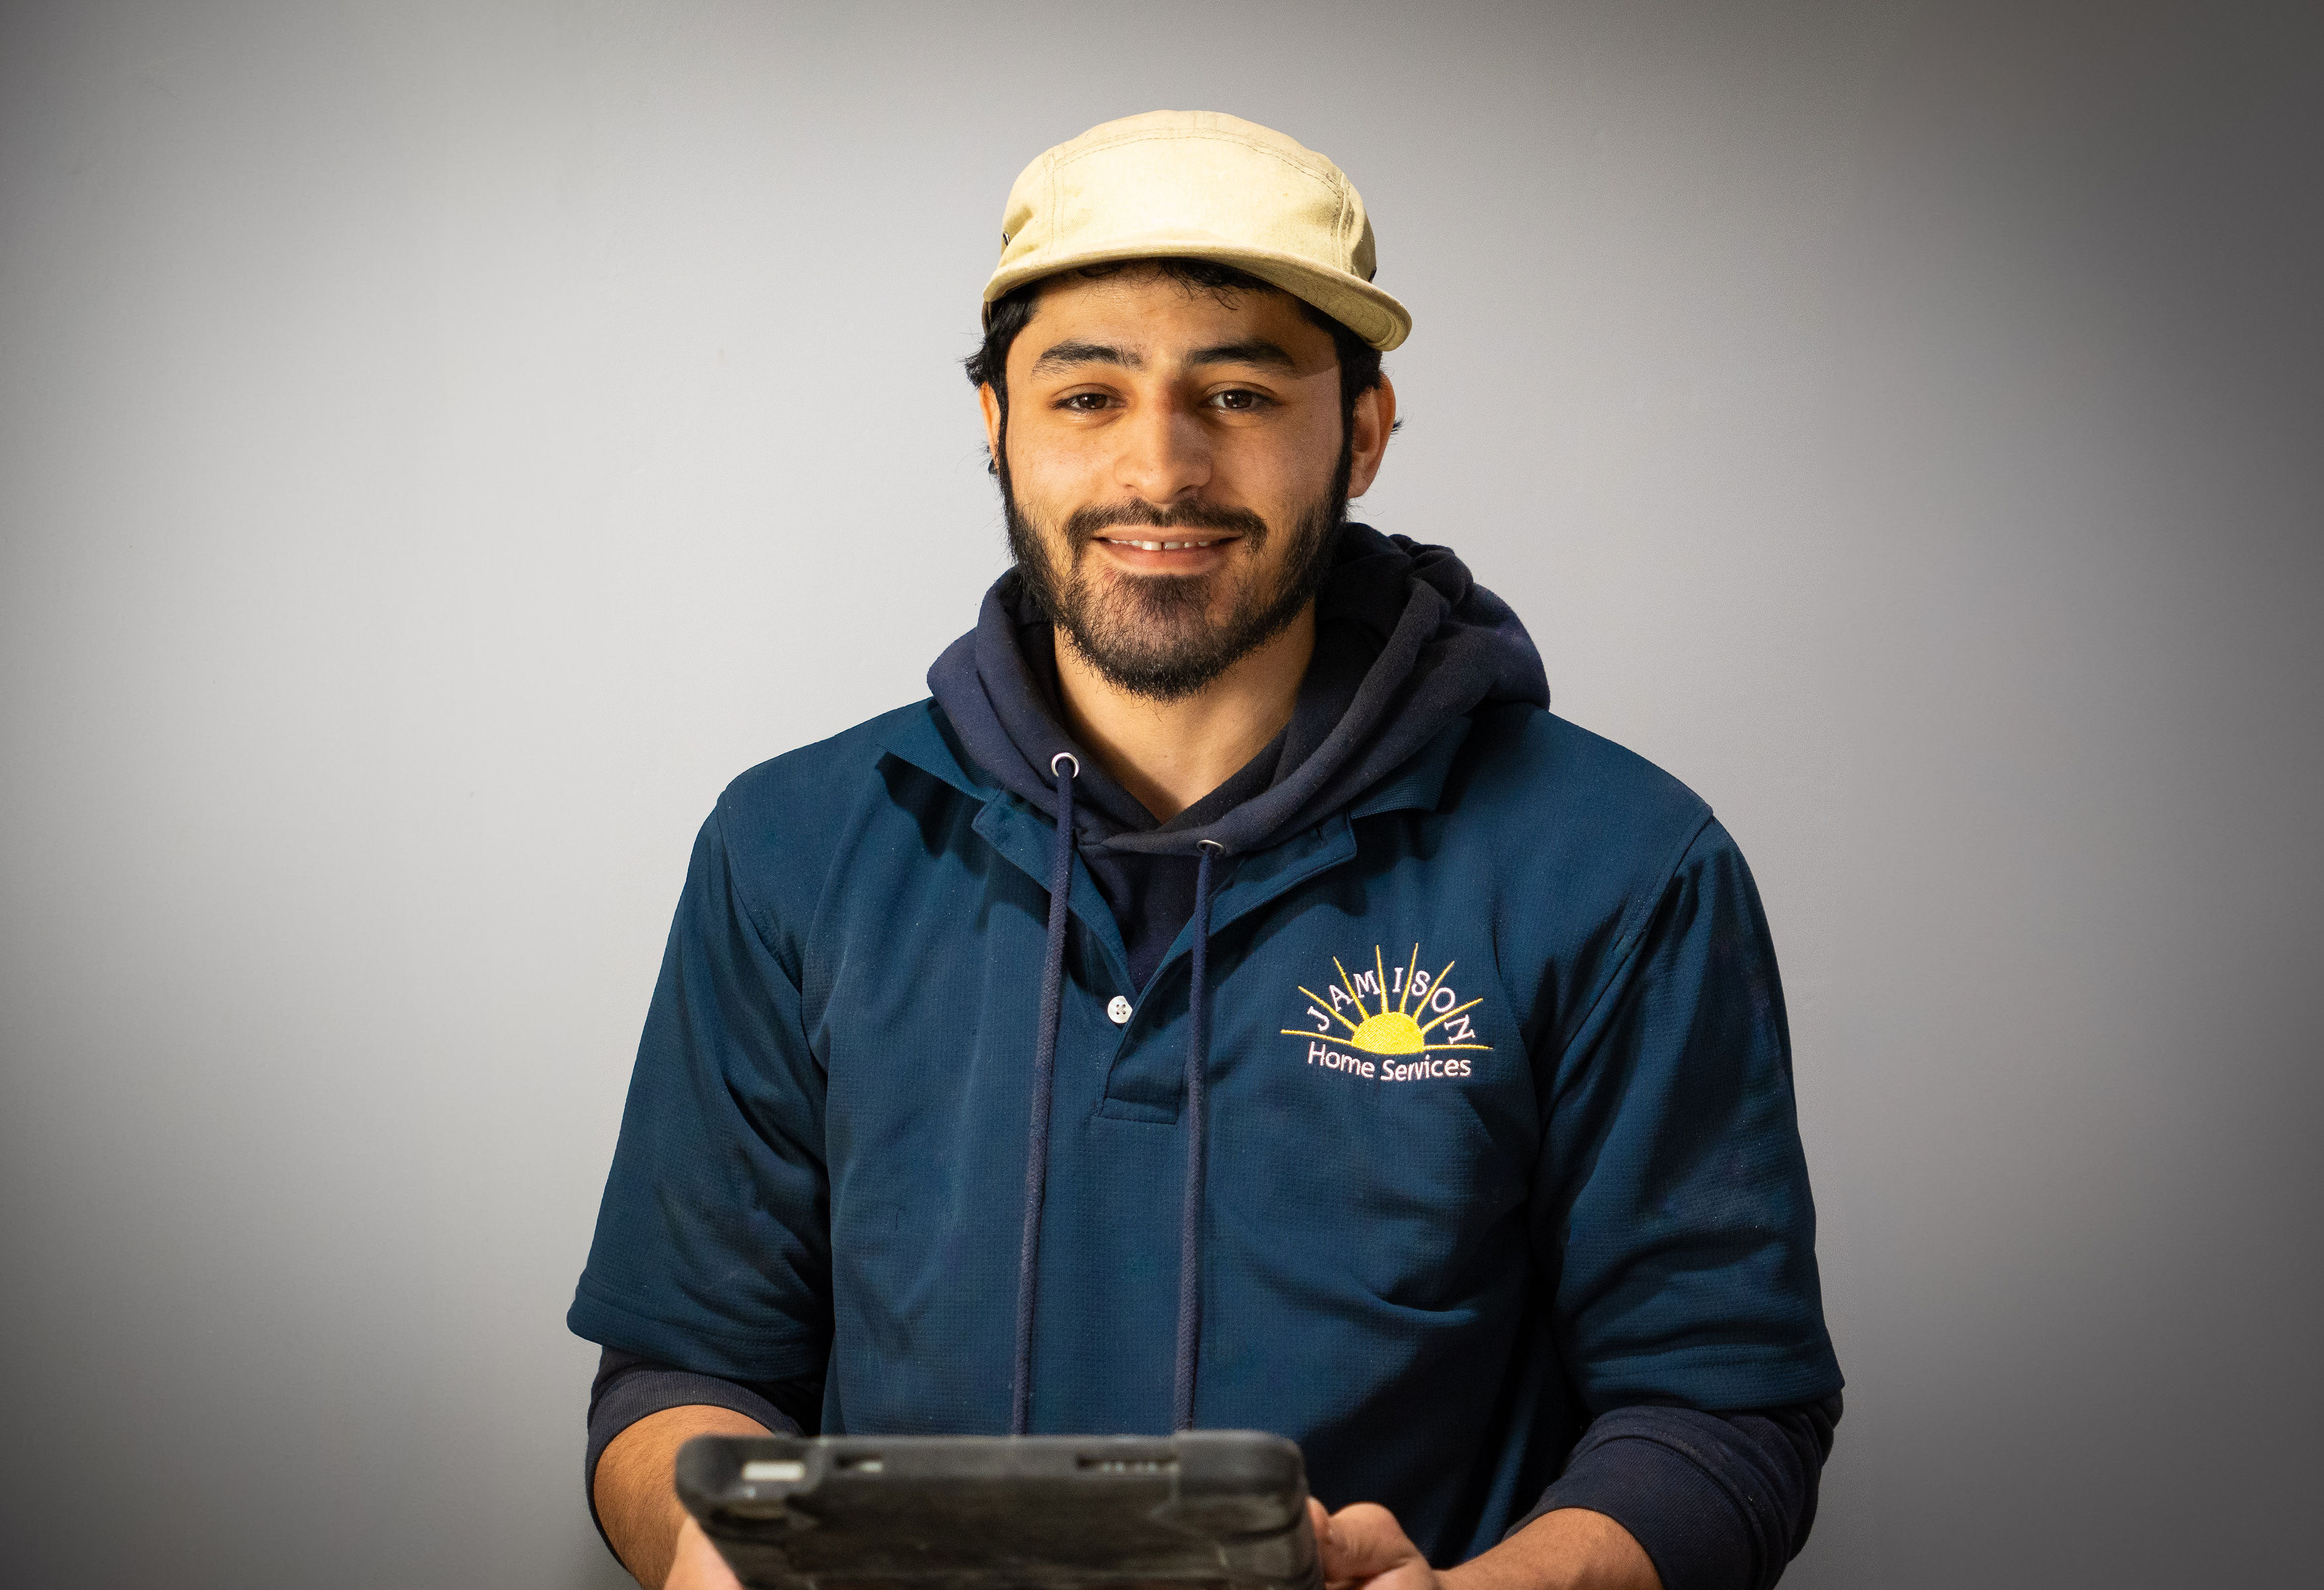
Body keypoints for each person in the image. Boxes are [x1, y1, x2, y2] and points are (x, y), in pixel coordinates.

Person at [570, 109, 1843, 1590]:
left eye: (1238, 392)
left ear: (1362, 429)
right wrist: (706, 1550)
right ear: (995, 423)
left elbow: (1721, 1407)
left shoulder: (1621, 864)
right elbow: (680, 1371)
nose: (1161, 468)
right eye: (1087, 394)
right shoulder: (792, 847)